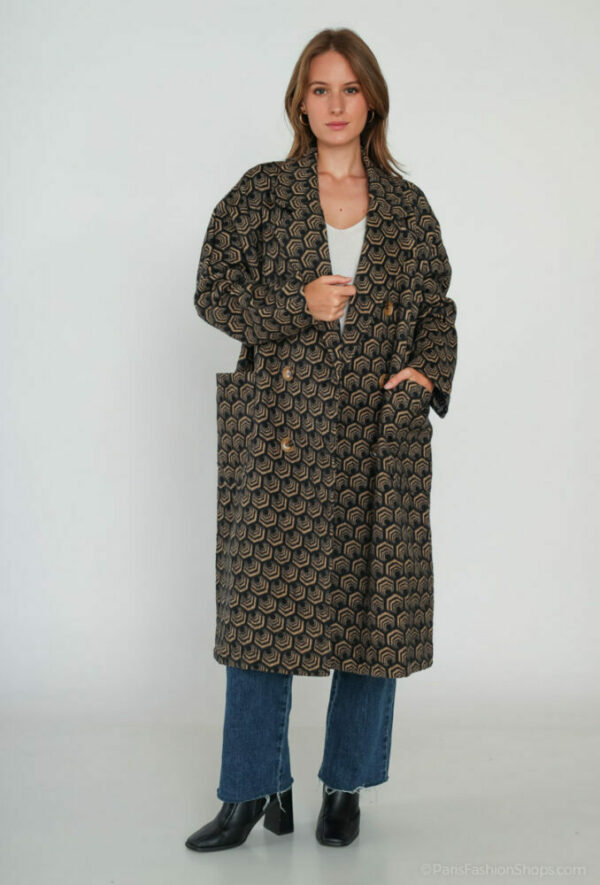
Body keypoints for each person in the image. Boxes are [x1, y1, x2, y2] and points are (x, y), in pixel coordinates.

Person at [186, 27, 458, 851]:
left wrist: (426, 372)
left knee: (376, 614)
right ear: (300, 103)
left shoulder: (407, 207)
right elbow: (212, 291)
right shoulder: (261, 194)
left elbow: (437, 307)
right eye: (319, 88)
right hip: (281, 431)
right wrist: (295, 304)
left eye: (349, 88)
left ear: (370, 99)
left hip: (377, 434)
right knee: (260, 614)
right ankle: (251, 788)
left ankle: (346, 787)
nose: (335, 104)